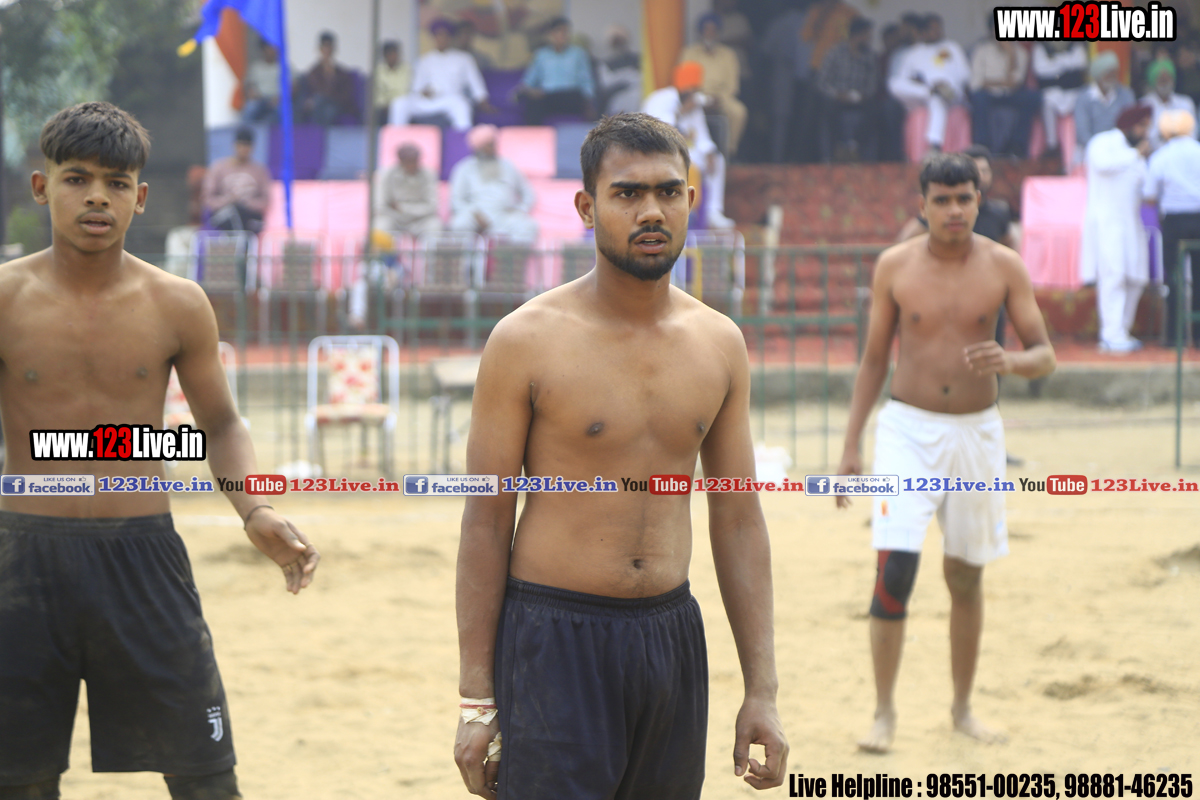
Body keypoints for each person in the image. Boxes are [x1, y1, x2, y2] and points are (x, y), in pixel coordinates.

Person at [452, 111, 787, 800]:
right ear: (587, 207)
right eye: (627, 193)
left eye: (667, 191)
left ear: (690, 200)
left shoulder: (719, 343)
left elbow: (738, 518)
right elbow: (486, 520)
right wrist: (476, 699)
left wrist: (763, 689)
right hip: (554, 639)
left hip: (670, 637)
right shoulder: (525, 341)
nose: (651, 211)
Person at [0, 102, 319, 800]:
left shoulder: (177, 302)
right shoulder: (5, 297)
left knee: (206, 779)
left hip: (143, 556)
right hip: (22, 560)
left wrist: (255, 508)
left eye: (116, 183)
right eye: (77, 179)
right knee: (18, 780)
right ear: (42, 187)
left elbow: (221, 423)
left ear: (140, 197)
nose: (97, 197)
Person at [838, 152, 1056, 754]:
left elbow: (1045, 355)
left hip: (976, 434)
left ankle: (962, 708)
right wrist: (851, 445)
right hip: (906, 432)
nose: (954, 210)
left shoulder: (1004, 266)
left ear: (979, 201)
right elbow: (873, 360)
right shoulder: (895, 265)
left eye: (964, 198)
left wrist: (1011, 361)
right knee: (895, 568)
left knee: (965, 572)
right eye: (942, 200)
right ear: (923, 205)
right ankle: (883, 713)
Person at [1081, 104, 1153, 353]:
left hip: (1132, 224)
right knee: (1114, 276)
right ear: (1129, 125)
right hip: (1107, 223)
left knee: (1137, 278)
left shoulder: (1136, 153)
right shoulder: (1103, 142)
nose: (1145, 132)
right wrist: (1135, 154)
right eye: (1142, 126)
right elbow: (1102, 164)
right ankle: (1110, 335)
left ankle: (1122, 331)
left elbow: (1145, 185)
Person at [642, 61, 735, 229]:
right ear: (684, 90)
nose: (695, 94)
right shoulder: (660, 99)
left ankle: (713, 212)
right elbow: (662, 133)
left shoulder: (694, 106)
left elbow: (702, 136)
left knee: (718, 159)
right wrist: (683, 110)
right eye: (692, 90)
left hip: (685, 152)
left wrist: (709, 152)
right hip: (658, 153)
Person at [1144, 110, 1200, 346]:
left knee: (1175, 278)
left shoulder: (1161, 156)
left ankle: (1175, 338)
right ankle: (1198, 337)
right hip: (1198, 218)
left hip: (1174, 221)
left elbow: (1149, 195)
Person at [889, 14, 971, 153]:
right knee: (894, 84)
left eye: (939, 28)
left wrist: (946, 83)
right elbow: (902, 79)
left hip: (950, 93)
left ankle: (934, 144)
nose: (937, 32)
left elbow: (965, 75)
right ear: (923, 32)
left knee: (938, 97)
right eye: (933, 29)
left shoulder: (951, 47)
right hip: (924, 93)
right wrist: (922, 85)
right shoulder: (913, 52)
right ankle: (933, 92)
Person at [390, 19, 491, 131]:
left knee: (462, 105)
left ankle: (462, 140)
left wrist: (483, 101)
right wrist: (423, 92)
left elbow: (475, 83)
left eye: (445, 35)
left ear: (450, 37)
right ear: (434, 38)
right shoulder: (424, 60)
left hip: (450, 99)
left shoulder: (464, 58)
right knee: (399, 104)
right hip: (428, 101)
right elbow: (416, 88)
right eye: (439, 35)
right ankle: (396, 138)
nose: (442, 39)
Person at [449, 125, 538, 243]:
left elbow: (528, 193)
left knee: (528, 226)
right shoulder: (464, 168)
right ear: (478, 147)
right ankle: (468, 256)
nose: (493, 147)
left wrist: (520, 209)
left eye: (494, 143)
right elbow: (456, 201)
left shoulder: (508, 165)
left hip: (504, 215)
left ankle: (509, 255)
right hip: (475, 215)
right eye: (488, 145)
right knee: (459, 224)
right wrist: (473, 213)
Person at [680, 13, 747, 159]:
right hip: (696, 97)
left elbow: (733, 85)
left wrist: (718, 99)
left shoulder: (728, 54)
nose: (710, 33)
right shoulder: (690, 53)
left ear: (718, 32)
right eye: (706, 29)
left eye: (713, 30)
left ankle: (730, 152)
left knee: (739, 111)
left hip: (721, 97)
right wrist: (700, 99)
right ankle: (689, 153)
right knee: (681, 112)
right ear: (700, 32)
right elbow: (685, 85)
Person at [969, 22, 1040, 157]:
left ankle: (1017, 145)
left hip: (1010, 94)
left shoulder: (1020, 52)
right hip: (987, 94)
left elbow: (1015, 82)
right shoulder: (981, 50)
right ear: (992, 31)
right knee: (978, 97)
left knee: (1032, 97)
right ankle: (982, 145)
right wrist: (1001, 82)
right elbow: (977, 83)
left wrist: (1011, 55)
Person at [817, 17, 878, 163]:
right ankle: (828, 157)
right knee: (827, 110)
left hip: (860, 101)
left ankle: (865, 158)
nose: (869, 39)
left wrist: (863, 96)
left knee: (872, 112)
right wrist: (837, 95)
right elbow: (821, 82)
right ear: (858, 35)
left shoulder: (870, 56)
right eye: (867, 35)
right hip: (836, 100)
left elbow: (873, 85)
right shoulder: (835, 52)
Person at [516, 17, 596, 125]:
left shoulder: (578, 54)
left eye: (566, 31)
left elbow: (586, 80)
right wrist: (530, 91)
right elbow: (528, 81)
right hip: (548, 97)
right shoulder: (541, 55)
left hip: (570, 97)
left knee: (574, 96)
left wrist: (589, 102)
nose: (563, 35)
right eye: (559, 31)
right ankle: (533, 134)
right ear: (551, 34)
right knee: (534, 102)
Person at [203, 126, 272, 234]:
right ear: (234, 145)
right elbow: (208, 199)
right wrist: (229, 200)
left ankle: (239, 241)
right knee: (233, 213)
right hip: (224, 214)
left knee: (243, 215)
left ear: (253, 147)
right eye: (241, 145)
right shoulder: (219, 168)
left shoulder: (260, 171)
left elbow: (266, 201)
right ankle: (240, 242)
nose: (244, 149)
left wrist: (246, 203)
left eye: (247, 145)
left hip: (249, 215)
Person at [1075, 51, 1136, 162]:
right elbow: (1083, 133)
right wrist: (1100, 150)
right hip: (1092, 151)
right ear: (1098, 74)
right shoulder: (1083, 98)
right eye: (1108, 73)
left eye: (1114, 73)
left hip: (1120, 150)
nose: (1113, 76)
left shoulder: (1126, 94)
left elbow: (1130, 126)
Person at [373, 142, 441, 239]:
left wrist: (403, 208)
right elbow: (380, 206)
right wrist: (397, 214)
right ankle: (385, 250)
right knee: (380, 226)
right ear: (401, 161)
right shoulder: (387, 174)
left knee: (435, 225)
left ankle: (428, 249)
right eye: (409, 162)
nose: (412, 165)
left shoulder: (429, 174)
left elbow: (432, 207)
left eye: (415, 161)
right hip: (394, 218)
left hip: (420, 219)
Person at [1031, 42, 1088, 157]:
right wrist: (1066, 65)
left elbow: (1081, 63)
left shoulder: (1075, 44)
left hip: (1073, 92)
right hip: (1052, 91)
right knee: (1047, 101)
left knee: (1084, 99)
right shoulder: (1041, 46)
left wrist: (1054, 63)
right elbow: (1040, 69)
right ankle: (1052, 144)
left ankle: (1081, 144)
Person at [298, 31, 359, 125]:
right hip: (319, 106)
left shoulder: (341, 73)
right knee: (320, 106)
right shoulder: (314, 72)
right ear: (320, 49)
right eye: (324, 47)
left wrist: (331, 75)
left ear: (333, 49)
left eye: (329, 47)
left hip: (336, 104)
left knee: (326, 108)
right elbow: (314, 91)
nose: (327, 50)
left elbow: (345, 96)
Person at [1141, 58, 1198, 152]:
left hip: (1183, 154)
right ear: (1153, 80)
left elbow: (1193, 134)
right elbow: (1145, 137)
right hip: (1155, 155)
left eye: (1167, 78)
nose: (1164, 81)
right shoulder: (1143, 105)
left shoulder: (1186, 103)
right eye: (1161, 78)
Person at [597, 25, 642, 116]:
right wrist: (625, 78)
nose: (619, 43)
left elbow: (641, 79)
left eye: (621, 39)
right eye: (615, 40)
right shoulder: (605, 64)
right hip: (616, 106)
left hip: (638, 103)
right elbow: (606, 85)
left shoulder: (638, 60)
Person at [241, 41, 282, 124]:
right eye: (269, 48)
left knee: (282, 109)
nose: (272, 51)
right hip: (259, 99)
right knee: (250, 107)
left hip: (276, 100)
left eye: (274, 48)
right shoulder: (256, 67)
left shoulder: (283, 67)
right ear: (263, 50)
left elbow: (293, 85)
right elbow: (249, 85)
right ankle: (246, 131)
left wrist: (281, 97)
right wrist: (251, 93)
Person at [374, 40, 411, 128]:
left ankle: (398, 135)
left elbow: (404, 91)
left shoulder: (406, 69)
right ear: (385, 56)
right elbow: (378, 94)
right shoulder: (379, 71)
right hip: (384, 107)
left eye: (396, 54)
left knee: (400, 107)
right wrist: (386, 105)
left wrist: (394, 105)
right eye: (391, 54)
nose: (394, 57)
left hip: (403, 104)